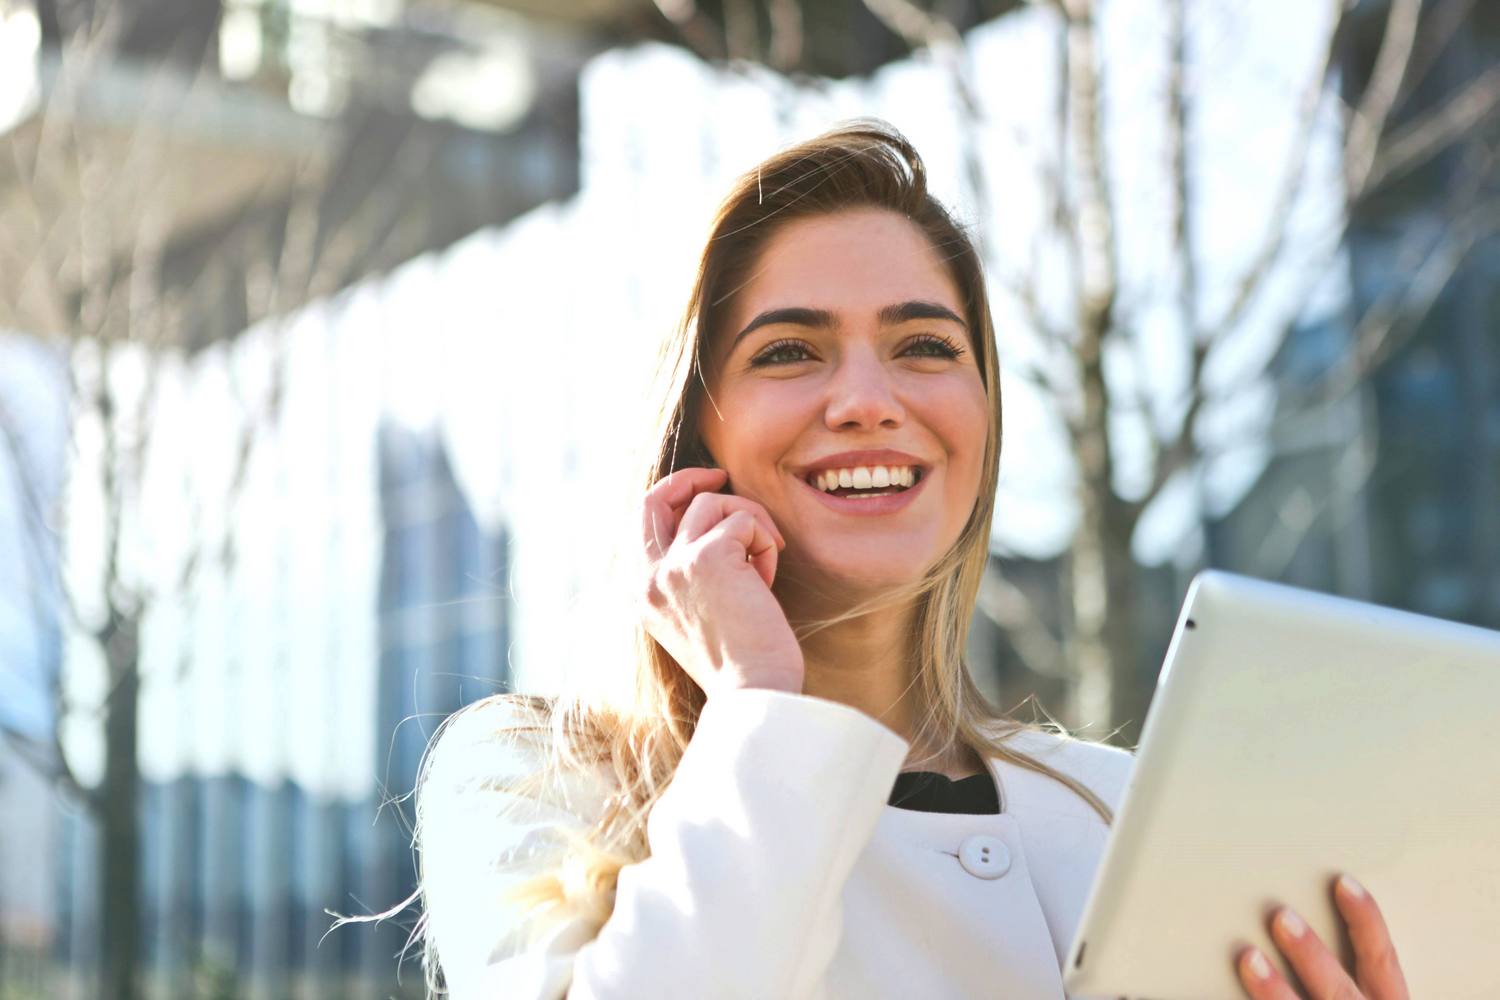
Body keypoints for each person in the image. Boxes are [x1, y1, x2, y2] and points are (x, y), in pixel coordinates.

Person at [413, 122, 1409, 999]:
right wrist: (762, 700)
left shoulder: (1119, 809)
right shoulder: (527, 780)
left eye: (926, 346)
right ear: (693, 434)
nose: (866, 399)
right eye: (789, 351)